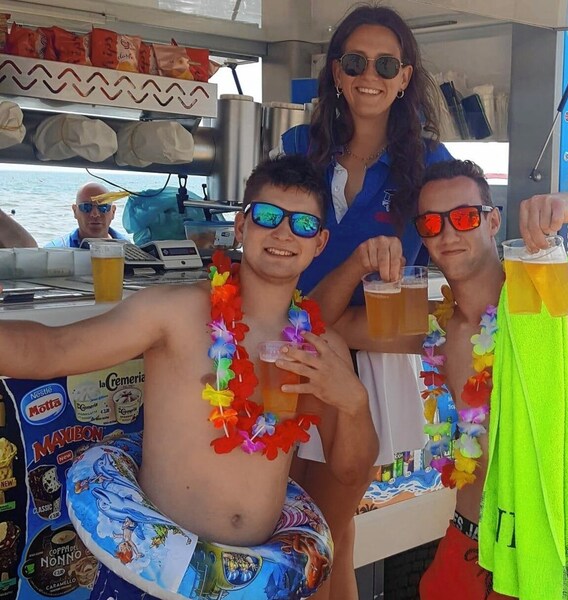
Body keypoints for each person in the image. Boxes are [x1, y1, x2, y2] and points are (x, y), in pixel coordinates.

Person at [327, 160, 568, 599]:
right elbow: (331, 323)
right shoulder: (433, 326)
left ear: (493, 219)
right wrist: (356, 263)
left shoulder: (554, 297)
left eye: (463, 217)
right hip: (464, 541)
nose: (448, 234)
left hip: (542, 550)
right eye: (432, 223)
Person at [0, 155, 378, 599]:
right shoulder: (174, 312)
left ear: (320, 242)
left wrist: (353, 403)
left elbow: (350, 471)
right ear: (241, 227)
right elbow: (50, 350)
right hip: (151, 575)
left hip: (257, 582)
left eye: (303, 225)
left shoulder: (320, 347)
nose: (283, 233)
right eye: (268, 216)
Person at [275, 6, 452, 598]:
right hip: (288, 351)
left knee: (330, 530)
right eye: (355, 61)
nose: (368, 75)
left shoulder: (430, 163)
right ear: (336, 72)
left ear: (405, 76)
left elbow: (457, 255)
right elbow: (274, 242)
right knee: (287, 519)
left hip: (363, 355)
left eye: (385, 64)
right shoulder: (300, 146)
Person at [44, 182, 127, 248]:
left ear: (113, 212)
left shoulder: (128, 248)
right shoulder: (55, 251)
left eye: (103, 207)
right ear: (75, 211)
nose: (95, 214)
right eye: (86, 207)